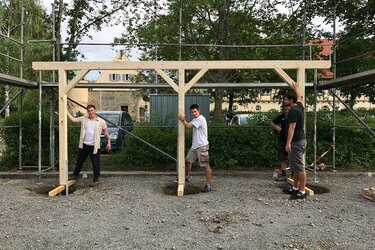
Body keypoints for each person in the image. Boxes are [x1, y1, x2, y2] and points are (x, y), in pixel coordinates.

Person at [68, 104, 111, 186]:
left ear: (95, 110)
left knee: (95, 163)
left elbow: (106, 133)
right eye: (89, 111)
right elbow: (73, 119)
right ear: (87, 112)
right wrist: (65, 111)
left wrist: (109, 142)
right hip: (84, 145)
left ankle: (96, 179)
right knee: (79, 161)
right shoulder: (84, 119)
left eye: (92, 110)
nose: (90, 112)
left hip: (94, 146)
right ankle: (75, 175)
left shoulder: (101, 121)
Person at [178, 104, 212, 193]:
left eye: (195, 111)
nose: (193, 113)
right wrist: (184, 120)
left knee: (205, 166)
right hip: (195, 146)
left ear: (198, 111)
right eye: (192, 112)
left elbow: (188, 126)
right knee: (188, 161)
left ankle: (208, 185)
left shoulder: (201, 119)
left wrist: (182, 120)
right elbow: (189, 124)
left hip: (202, 146)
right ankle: (186, 177)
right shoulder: (195, 119)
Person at [283, 84, 307, 200]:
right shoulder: (299, 106)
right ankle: (296, 189)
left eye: (286, 99)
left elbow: (291, 129)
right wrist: (297, 90)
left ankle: (302, 192)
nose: (284, 101)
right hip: (300, 140)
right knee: (296, 167)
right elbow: (300, 98)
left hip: (296, 142)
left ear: (290, 100)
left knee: (300, 168)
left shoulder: (293, 111)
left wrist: (288, 143)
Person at [271, 104, 290, 181]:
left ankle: (294, 174)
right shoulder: (281, 117)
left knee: (292, 157)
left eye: (288, 109)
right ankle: (284, 173)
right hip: (282, 140)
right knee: (282, 157)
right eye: (285, 109)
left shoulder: (293, 117)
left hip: (292, 140)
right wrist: (277, 127)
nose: (286, 110)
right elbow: (272, 122)